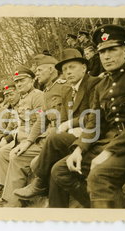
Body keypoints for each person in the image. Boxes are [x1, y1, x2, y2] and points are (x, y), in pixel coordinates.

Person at [53, 24, 125, 208]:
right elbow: (94, 123)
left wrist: (108, 152)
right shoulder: (101, 86)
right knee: (61, 170)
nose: (106, 56)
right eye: (102, 52)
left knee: (99, 175)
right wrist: (79, 149)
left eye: (112, 49)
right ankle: (109, 212)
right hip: (111, 143)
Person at [14, 48, 100, 208]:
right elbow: (58, 119)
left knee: (53, 139)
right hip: (75, 136)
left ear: (84, 67)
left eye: (72, 67)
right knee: (55, 170)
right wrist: (67, 126)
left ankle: (39, 182)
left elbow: (95, 115)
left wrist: (71, 125)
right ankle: (56, 213)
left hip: (94, 136)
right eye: (65, 69)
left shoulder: (94, 84)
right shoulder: (70, 90)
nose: (68, 72)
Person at [0, 54, 72, 207]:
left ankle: (18, 202)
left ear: (52, 70)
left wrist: (30, 140)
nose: (37, 73)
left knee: (24, 159)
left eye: (39, 70)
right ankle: (13, 202)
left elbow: (69, 119)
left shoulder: (64, 87)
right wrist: (28, 141)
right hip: (47, 138)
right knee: (17, 155)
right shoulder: (48, 90)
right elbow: (41, 120)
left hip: (60, 138)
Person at [0, 65, 44, 206]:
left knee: (16, 156)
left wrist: (27, 141)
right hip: (21, 139)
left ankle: (14, 200)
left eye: (22, 80)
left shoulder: (38, 96)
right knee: (2, 153)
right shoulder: (22, 99)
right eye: (17, 81)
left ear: (32, 80)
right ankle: (3, 191)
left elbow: (41, 122)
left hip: (34, 139)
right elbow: (20, 124)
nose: (19, 84)